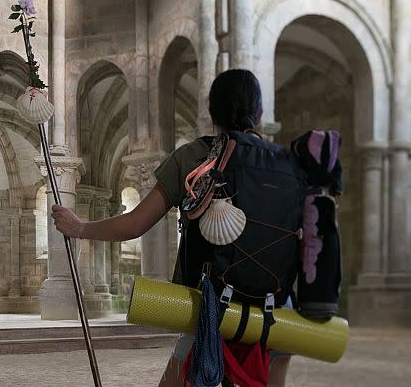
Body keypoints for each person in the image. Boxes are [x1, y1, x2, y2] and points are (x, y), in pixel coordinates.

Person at [52, 69, 292, 386]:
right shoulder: (287, 164)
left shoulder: (192, 157)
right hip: (276, 309)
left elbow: (134, 225)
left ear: (211, 114)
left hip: (211, 307)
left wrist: (80, 228)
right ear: (260, 113)